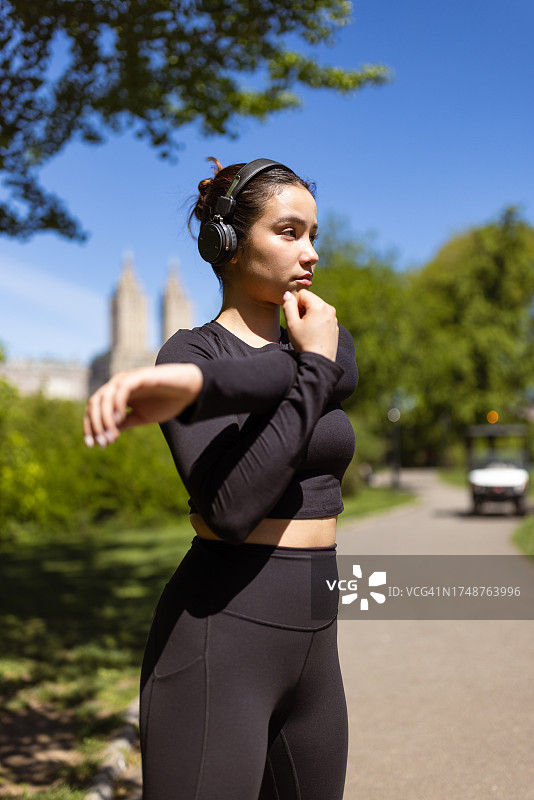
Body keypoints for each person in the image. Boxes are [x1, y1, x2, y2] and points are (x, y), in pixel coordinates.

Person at [83, 157, 358, 800]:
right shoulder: (190, 350)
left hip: (318, 642)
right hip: (223, 634)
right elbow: (232, 510)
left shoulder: (320, 338)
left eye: (315, 234)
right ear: (228, 244)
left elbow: (301, 375)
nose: (311, 252)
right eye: (289, 232)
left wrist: (206, 388)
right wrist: (205, 375)